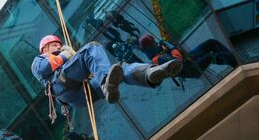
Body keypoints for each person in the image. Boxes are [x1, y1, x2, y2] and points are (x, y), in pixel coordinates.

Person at [31, 35, 182, 108]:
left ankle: (149, 73)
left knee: (120, 69)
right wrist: (66, 54)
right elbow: (45, 68)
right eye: (54, 45)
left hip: (83, 94)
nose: (58, 47)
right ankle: (105, 82)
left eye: (59, 45)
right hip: (62, 84)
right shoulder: (39, 60)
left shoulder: (65, 61)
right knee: (91, 47)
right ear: (45, 49)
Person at [138, 35, 237, 79]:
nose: (156, 43)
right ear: (150, 47)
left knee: (211, 43)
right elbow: (177, 61)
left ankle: (233, 59)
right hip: (189, 70)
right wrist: (172, 48)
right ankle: (236, 63)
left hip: (188, 60)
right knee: (211, 56)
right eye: (154, 43)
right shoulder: (157, 59)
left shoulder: (159, 48)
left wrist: (170, 46)